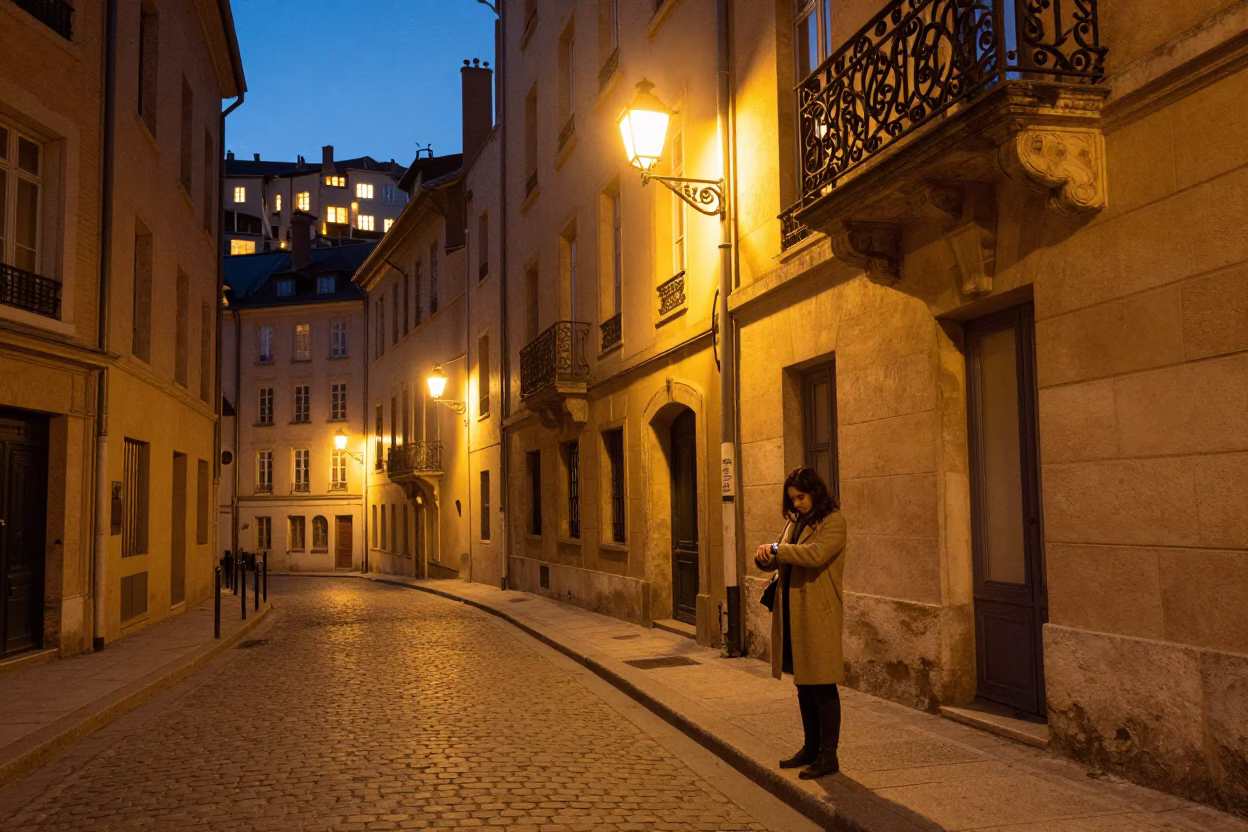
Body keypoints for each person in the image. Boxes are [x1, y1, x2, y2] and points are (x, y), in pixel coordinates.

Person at [754, 466, 847, 779]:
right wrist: (765, 557)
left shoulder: (833, 521)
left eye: (801, 497)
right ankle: (810, 748)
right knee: (803, 684)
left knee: (822, 685)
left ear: (815, 492)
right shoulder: (794, 522)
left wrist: (778, 549)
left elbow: (815, 554)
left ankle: (828, 756)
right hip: (793, 610)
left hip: (818, 612)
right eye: (793, 499)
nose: (797, 504)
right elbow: (783, 557)